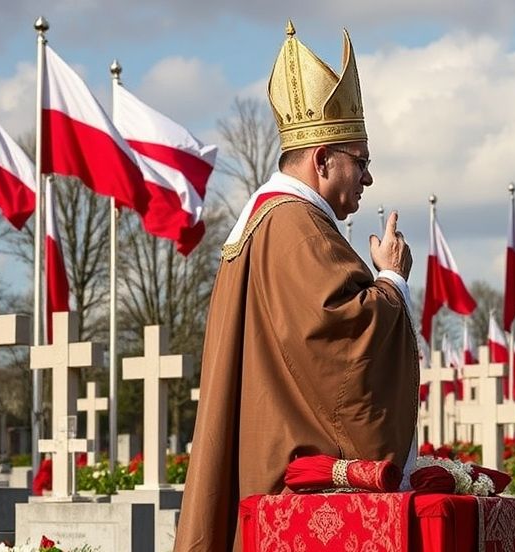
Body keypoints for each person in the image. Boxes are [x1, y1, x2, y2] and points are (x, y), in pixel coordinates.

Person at [174, 21, 419, 551]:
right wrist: (392, 279)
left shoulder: (269, 221)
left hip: (266, 465)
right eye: (361, 162)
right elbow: (341, 337)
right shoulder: (298, 227)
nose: (368, 178)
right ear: (322, 159)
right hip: (295, 494)